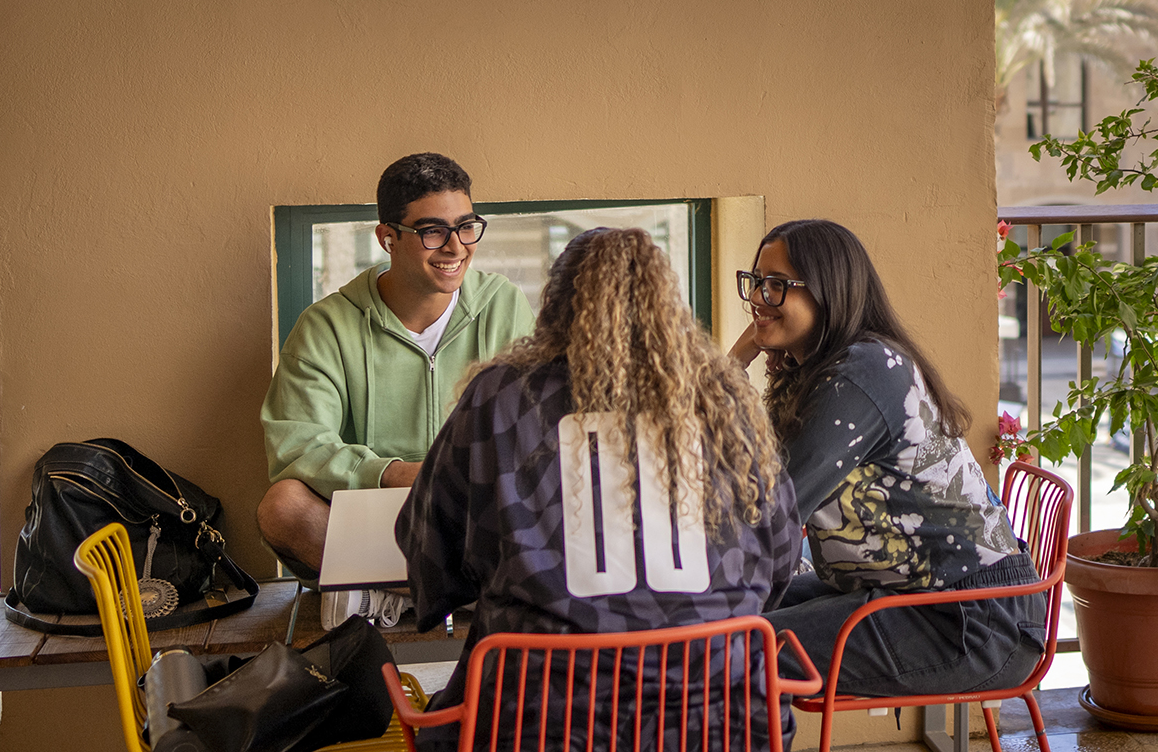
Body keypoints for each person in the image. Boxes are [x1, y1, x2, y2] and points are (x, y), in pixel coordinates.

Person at [400, 227, 801, 750]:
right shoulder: (724, 400)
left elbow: (433, 545)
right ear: (668, 305)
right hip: (722, 721)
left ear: (555, 307)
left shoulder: (499, 397)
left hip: (543, 723)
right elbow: (779, 559)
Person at [732, 219, 1044, 698]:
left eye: (778, 286)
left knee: (726, 644)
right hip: (914, 598)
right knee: (724, 620)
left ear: (828, 292)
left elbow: (770, 507)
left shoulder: (863, 374)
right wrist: (741, 353)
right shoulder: (827, 369)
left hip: (972, 621)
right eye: (756, 282)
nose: (758, 297)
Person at [259, 153, 534, 623]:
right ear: (388, 237)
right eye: (433, 232)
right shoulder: (326, 325)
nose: (456, 248)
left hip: (474, 519)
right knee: (281, 507)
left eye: (467, 227)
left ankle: (388, 593)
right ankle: (464, 594)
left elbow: (530, 430)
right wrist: (395, 473)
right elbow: (298, 446)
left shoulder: (504, 306)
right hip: (375, 522)